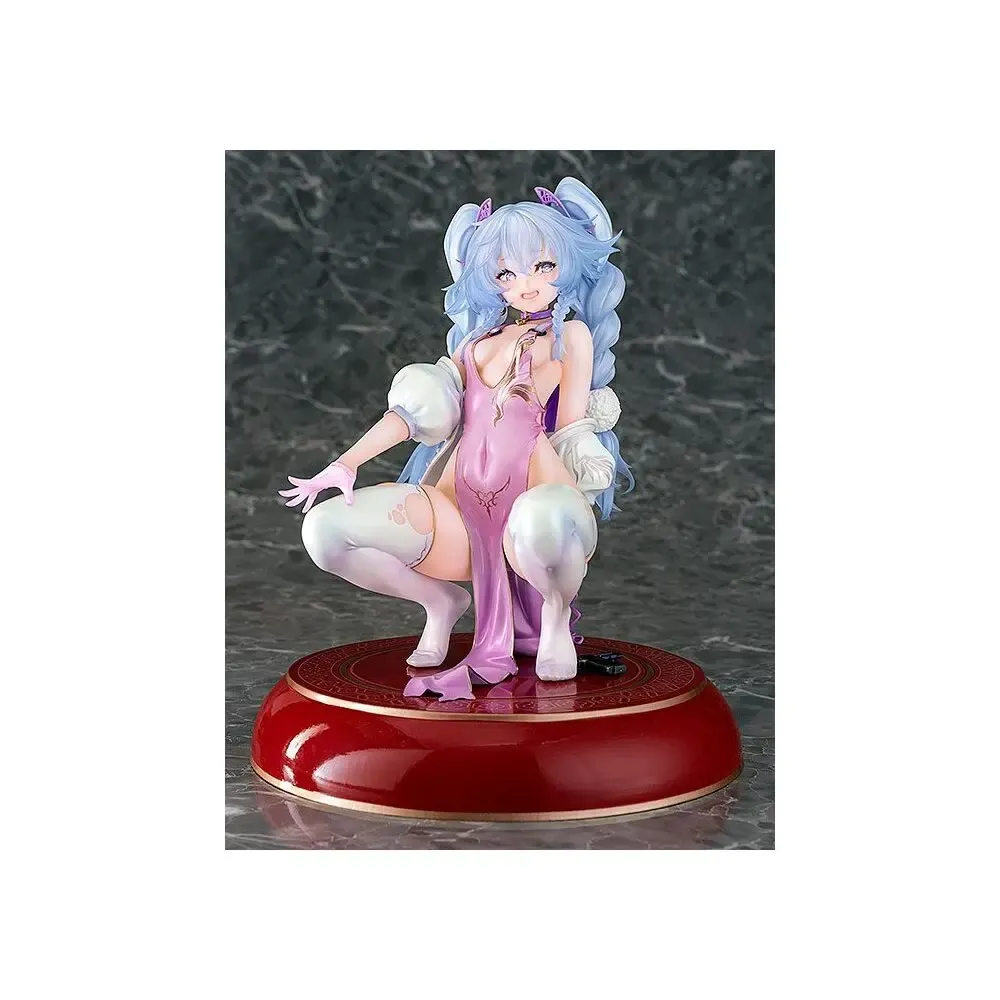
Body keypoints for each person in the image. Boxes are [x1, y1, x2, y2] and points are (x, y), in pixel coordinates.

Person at [279, 178, 634, 700]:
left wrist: (585, 468)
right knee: (325, 531)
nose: (526, 285)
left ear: (568, 261)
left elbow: (572, 425)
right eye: (507, 273)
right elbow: (414, 412)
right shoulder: (475, 342)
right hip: (458, 508)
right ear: (489, 280)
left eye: (543, 265)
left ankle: (554, 616)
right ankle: (440, 603)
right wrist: (345, 463)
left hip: (532, 504)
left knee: (541, 520)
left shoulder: (569, 336)